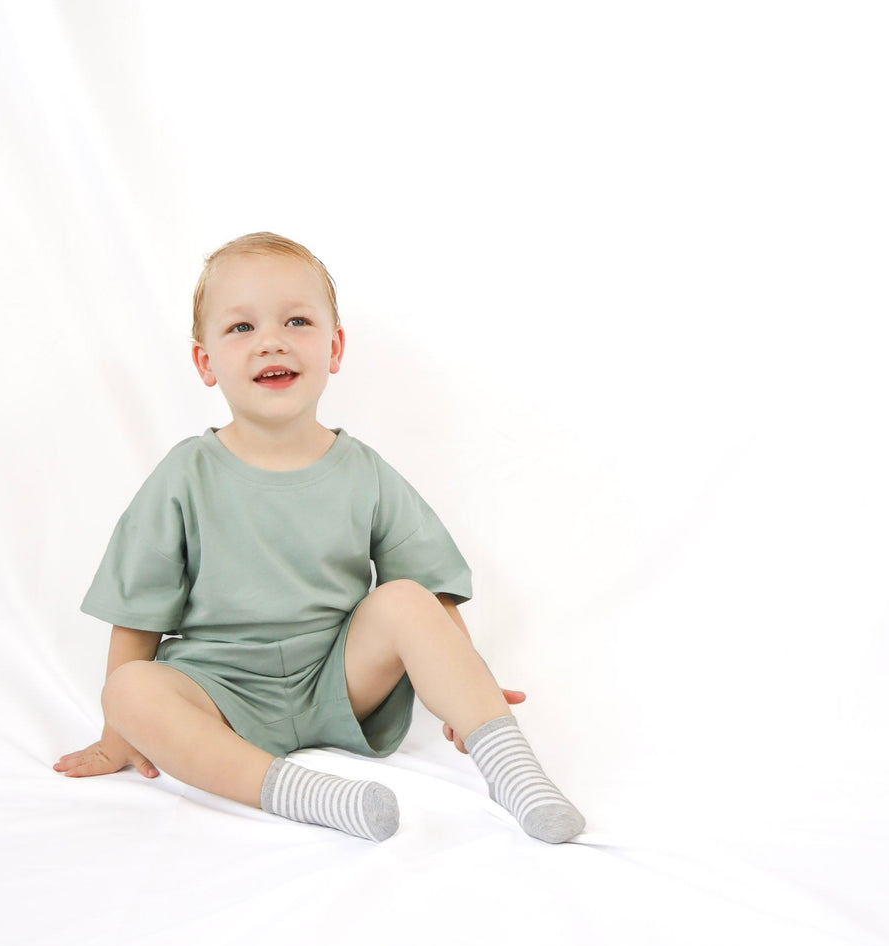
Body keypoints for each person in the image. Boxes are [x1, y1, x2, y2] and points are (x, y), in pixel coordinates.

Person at [54, 232, 585, 844]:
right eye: (241, 328)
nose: (271, 341)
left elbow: (431, 598)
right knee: (129, 688)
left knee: (407, 598)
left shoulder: (363, 471)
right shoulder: (185, 474)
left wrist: (468, 685)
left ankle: (515, 773)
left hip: (338, 682)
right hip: (220, 694)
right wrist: (119, 735)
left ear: (333, 348)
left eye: (296, 321)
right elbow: (136, 615)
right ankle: (305, 794)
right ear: (205, 363)